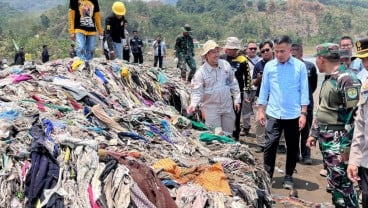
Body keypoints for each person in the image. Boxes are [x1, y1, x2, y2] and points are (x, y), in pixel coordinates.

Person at [307, 43, 360, 207]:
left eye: (317, 58)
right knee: (334, 182)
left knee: (344, 184)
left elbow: (355, 116)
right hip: (327, 139)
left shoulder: (347, 79)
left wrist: (346, 147)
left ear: (321, 59)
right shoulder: (330, 78)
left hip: (339, 141)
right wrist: (314, 133)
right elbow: (323, 109)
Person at [257, 35, 309, 190]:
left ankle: (288, 175)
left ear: (290, 49)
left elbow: (304, 91)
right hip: (273, 113)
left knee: (292, 147)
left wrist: (303, 113)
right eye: (277, 51)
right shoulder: (269, 66)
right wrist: (261, 110)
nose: (279, 54)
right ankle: (267, 175)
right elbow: (264, 89)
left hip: (293, 114)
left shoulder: (299, 67)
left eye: (283, 51)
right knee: (270, 145)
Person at [187, 40, 241, 134]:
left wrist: (237, 99)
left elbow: (233, 83)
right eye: (213, 52)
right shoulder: (201, 72)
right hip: (211, 109)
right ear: (206, 55)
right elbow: (197, 91)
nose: (216, 55)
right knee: (216, 135)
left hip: (227, 107)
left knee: (228, 134)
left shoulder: (225, 65)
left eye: (217, 51)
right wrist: (193, 104)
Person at [347, 37, 368, 208]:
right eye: (363, 59)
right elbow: (360, 126)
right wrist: (354, 160)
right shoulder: (365, 86)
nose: (366, 64)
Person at [291, 43, 318, 165]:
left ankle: (306, 155)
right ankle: (295, 154)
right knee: (293, 131)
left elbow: (313, 85)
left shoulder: (310, 66)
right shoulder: (288, 67)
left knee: (306, 131)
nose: (293, 56)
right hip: (293, 105)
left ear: (301, 54)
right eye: (291, 54)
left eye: (295, 54)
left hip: (307, 104)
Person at [222, 37, 251, 140]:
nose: (230, 51)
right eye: (228, 48)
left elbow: (247, 77)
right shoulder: (222, 58)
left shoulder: (243, 60)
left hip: (237, 93)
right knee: (225, 114)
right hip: (224, 92)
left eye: (232, 49)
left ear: (236, 49)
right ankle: (226, 134)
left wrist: (247, 92)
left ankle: (236, 135)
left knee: (236, 115)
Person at [251, 40, 274, 153]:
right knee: (259, 121)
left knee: (278, 121)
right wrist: (259, 79)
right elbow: (253, 83)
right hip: (261, 97)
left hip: (275, 97)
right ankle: (260, 143)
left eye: (267, 50)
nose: (265, 52)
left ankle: (280, 143)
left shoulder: (278, 63)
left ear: (272, 49)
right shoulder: (258, 65)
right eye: (263, 51)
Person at [241, 40, 262, 136]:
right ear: (246, 49)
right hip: (246, 89)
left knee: (258, 111)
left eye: (255, 48)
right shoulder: (241, 60)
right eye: (251, 48)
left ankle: (260, 131)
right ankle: (246, 127)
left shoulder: (260, 61)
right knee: (246, 111)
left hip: (258, 89)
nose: (253, 50)